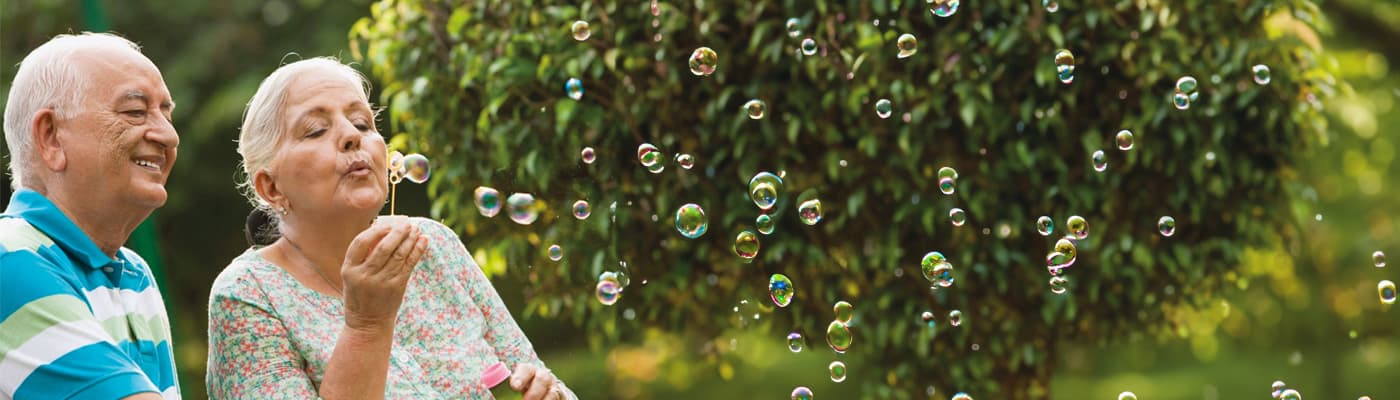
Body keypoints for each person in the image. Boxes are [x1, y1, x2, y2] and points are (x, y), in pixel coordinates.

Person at [206, 57, 575, 400]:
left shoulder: (434, 245)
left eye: (362, 123)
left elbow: (534, 374)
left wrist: (548, 393)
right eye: (316, 130)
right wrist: (367, 324)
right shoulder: (248, 295)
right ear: (271, 187)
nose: (352, 135)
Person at [0, 33, 181, 399]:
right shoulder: (9, 257)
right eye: (135, 112)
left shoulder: (135, 274)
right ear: (51, 137)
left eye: (166, 112)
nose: (168, 134)